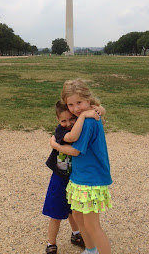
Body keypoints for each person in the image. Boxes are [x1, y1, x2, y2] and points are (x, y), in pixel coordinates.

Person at [50, 79, 112, 254]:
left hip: (91, 180)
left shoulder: (89, 121)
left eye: (79, 102)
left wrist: (56, 146)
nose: (76, 108)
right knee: (77, 216)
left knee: (93, 226)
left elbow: (76, 151)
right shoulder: (82, 118)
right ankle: (90, 250)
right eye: (71, 104)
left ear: (88, 100)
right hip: (80, 177)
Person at [43, 100, 102, 254]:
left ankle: (76, 234)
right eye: (63, 120)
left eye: (71, 119)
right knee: (56, 213)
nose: (68, 123)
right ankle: (51, 243)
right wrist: (83, 116)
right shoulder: (61, 131)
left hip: (75, 178)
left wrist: (98, 109)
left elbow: (100, 110)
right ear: (58, 120)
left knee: (74, 211)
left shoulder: (80, 128)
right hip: (59, 177)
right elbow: (71, 139)